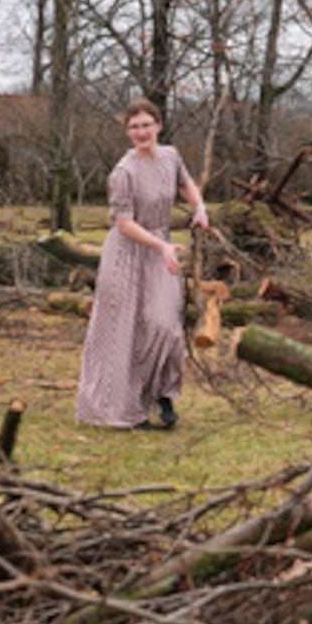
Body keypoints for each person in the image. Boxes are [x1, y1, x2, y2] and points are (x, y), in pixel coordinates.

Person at [76, 98, 209, 430]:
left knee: (166, 326)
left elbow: (186, 183)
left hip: (160, 249)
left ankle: (163, 394)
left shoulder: (171, 156)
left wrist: (200, 207)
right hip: (127, 254)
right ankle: (126, 409)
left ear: (158, 125)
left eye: (146, 124)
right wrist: (162, 245)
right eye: (134, 127)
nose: (141, 132)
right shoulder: (124, 172)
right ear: (127, 132)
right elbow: (124, 223)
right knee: (126, 333)